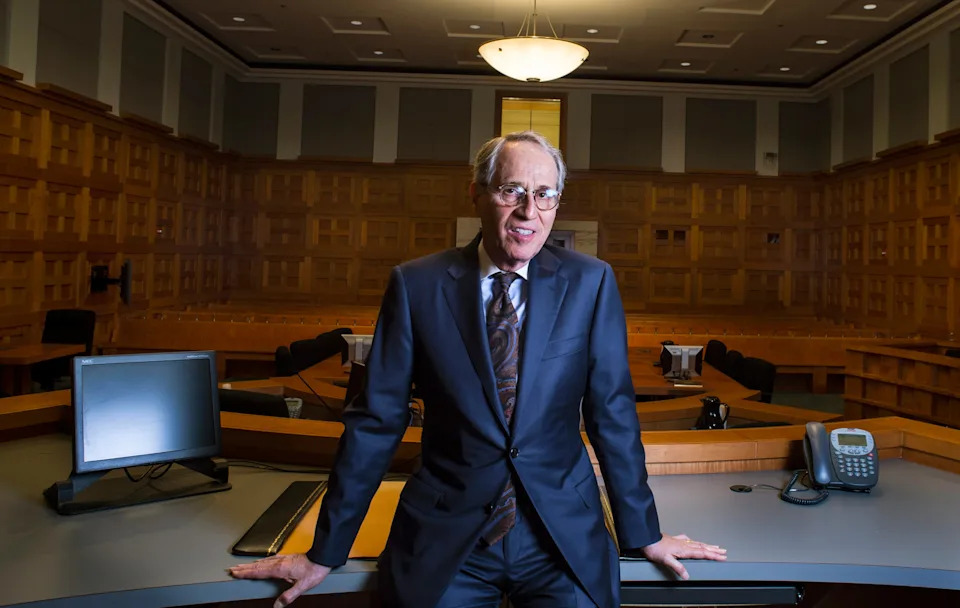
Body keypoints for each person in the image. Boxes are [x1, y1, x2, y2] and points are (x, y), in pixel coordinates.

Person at [230, 131, 726, 607]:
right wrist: (326, 549)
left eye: (545, 194)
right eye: (512, 190)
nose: (529, 211)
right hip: (448, 535)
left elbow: (611, 416)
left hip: (561, 536)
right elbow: (376, 422)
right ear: (477, 193)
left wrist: (644, 532)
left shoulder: (591, 283)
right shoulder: (416, 285)